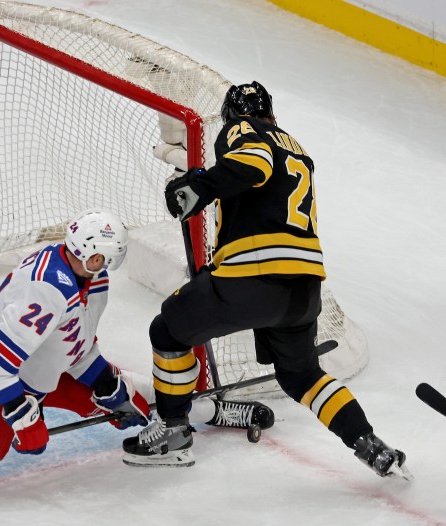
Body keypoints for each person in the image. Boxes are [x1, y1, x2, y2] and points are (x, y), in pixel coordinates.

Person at [0, 209, 274, 507]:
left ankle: (210, 409)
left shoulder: (91, 280)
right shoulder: (47, 289)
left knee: (136, 396)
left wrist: (104, 385)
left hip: (44, 375)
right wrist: (24, 416)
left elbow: (74, 345)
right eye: (101, 257)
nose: (104, 264)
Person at [122, 82, 411, 479]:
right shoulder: (297, 147)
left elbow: (254, 164)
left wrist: (199, 185)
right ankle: (368, 443)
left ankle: (172, 431)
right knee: (302, 375)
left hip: (254, 278)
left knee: (168, 330)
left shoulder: (243, 130)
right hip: (304, 290)